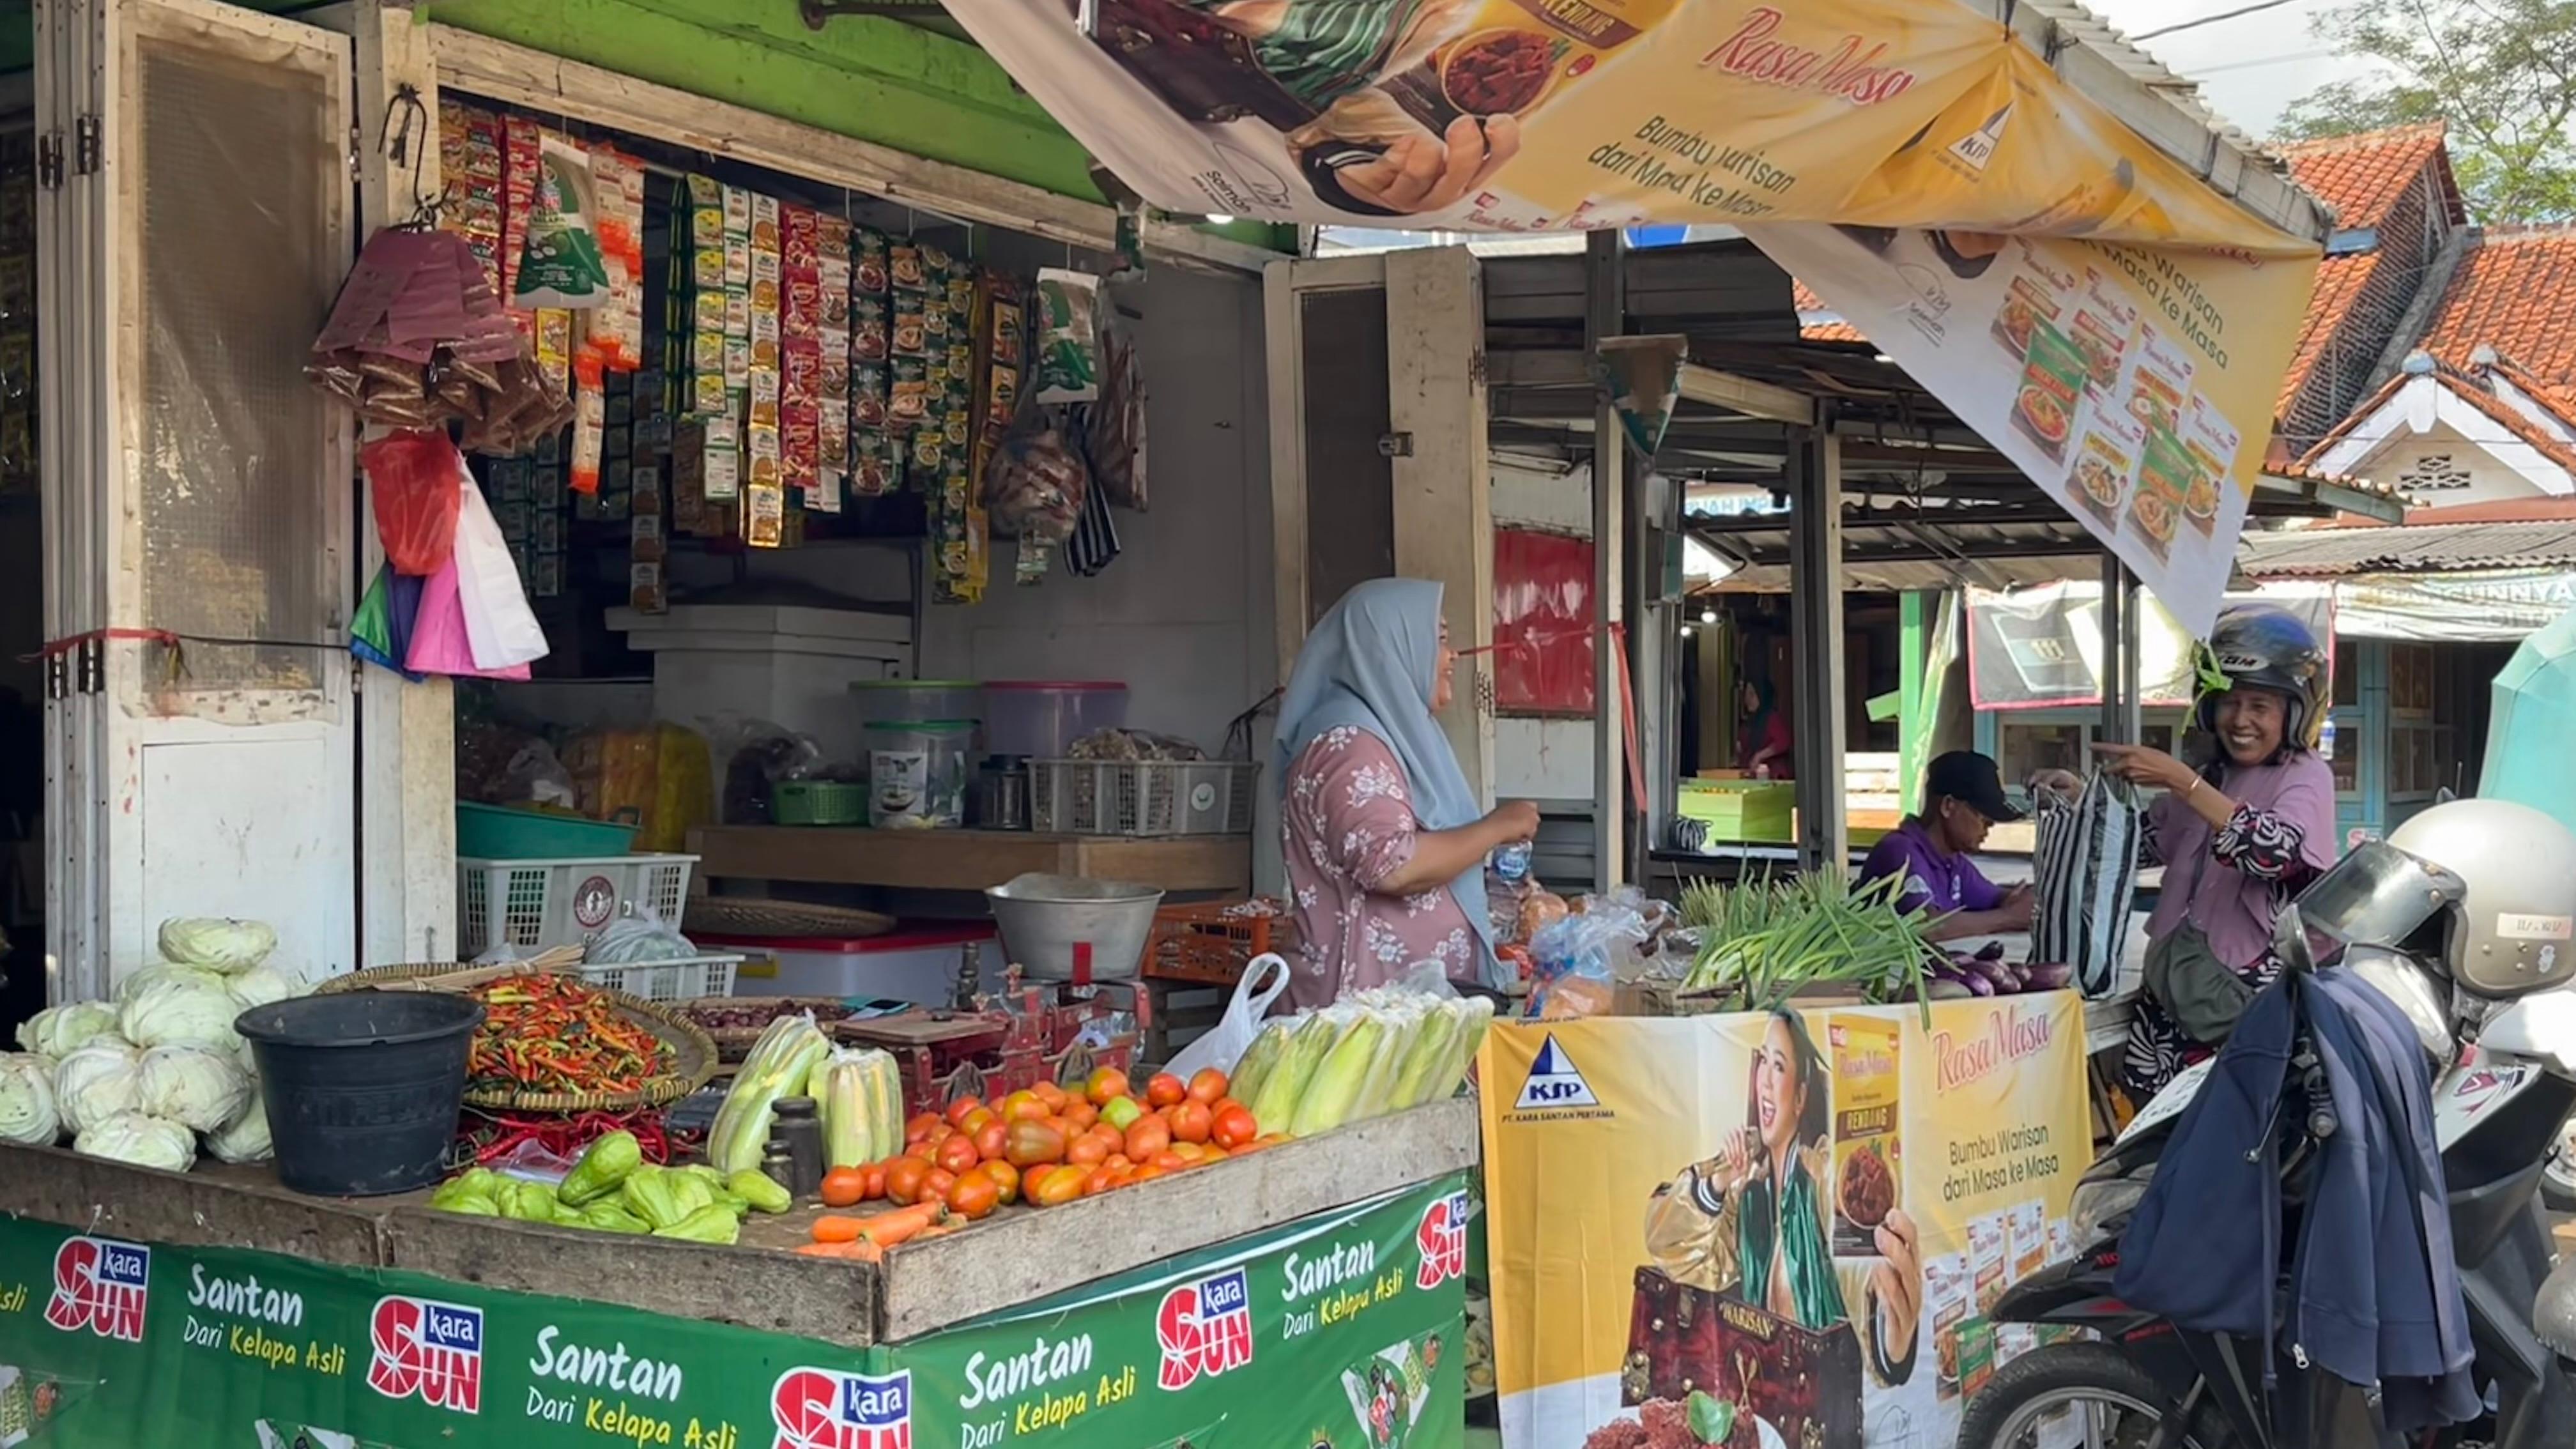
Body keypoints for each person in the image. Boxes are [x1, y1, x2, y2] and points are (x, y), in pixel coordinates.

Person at [2038, 607, 2338, 1097]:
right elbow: (2141, 846)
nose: (2240, 721)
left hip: (2242, 1013)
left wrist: (2182, 780)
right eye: (2228, 703)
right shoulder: (2212, 773)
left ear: (2295, 712)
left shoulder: (2305, 775)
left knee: (2225, 1141)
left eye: (2260, 706)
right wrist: (2085, 801)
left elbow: (2275, 852)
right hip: (2168, 1008)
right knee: (2150, 1137)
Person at [1276, 578, 1539, 1009]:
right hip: (1362, 1012)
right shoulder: (1349, 745)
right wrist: (1496, 828)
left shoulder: (1390, 733)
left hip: (1403, 1007)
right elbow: (1391, 867)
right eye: (1438, 640)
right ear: (1391, 648)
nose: (1451, 656)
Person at [1645, 1010, 1921, 1384]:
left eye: (1779, 1066)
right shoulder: (1747, 1191)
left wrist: (1891, 1339)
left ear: (1801, 1097)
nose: (1766, 1083)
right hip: (1758, 1397)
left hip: (1823, 1402)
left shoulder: (1822, 1178)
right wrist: (1716, 1184)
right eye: (1763, 1063)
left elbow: (1858, 1278)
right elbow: (1671, 1249)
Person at [1859, 751, 2034, 942]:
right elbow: (1926, 926)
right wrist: (2009, 918)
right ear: (1948, 806)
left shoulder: (1952, 860)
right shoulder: (1900, 852)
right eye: (1984, 819)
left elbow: (1996, 898)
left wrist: (2019, 900)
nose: (1989, 829)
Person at [1736, 675, 1793, 780]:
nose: (1747, 699)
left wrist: (1760, 756)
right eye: (1746, 694)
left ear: (1761, 696)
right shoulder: (1749, 723)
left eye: (1752, 694)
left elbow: (1784, 742)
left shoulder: (1772, 718)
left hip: (1773, 778)